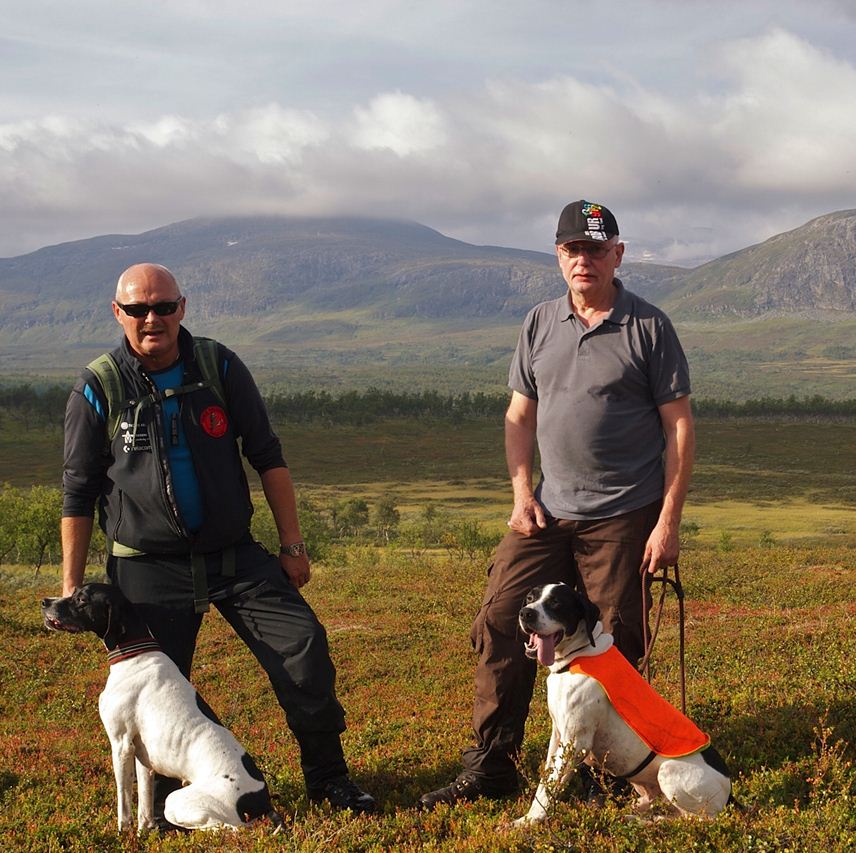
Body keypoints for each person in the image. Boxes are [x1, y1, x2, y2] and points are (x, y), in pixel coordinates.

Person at [61, 263, 376, 818]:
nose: (151, 318)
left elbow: (267, 456)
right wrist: (70, 589)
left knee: (301, 647)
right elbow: (78, 492)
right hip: (146, 565)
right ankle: (162, 802)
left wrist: (292, 545)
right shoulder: (98, 386)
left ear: (183, 307)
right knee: (160, 688)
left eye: (163, 306)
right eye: (138, 309)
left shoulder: (219, 366)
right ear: (118, 313)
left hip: (234, 555)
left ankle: (330, 780)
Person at [420, 200, 694, 808]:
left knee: (615, 641)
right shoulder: (540, 322)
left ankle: (607, 776)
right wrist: (521, 495)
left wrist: (667, 520)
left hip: (626, 513)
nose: (584, 260)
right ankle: (493, 765)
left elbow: (678, 427)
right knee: (499, 616)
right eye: (573, 250)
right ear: (558, 256)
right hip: (546, 509)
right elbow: (519, 416)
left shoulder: (649, 326)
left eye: (596, 250)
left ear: (617, 255)